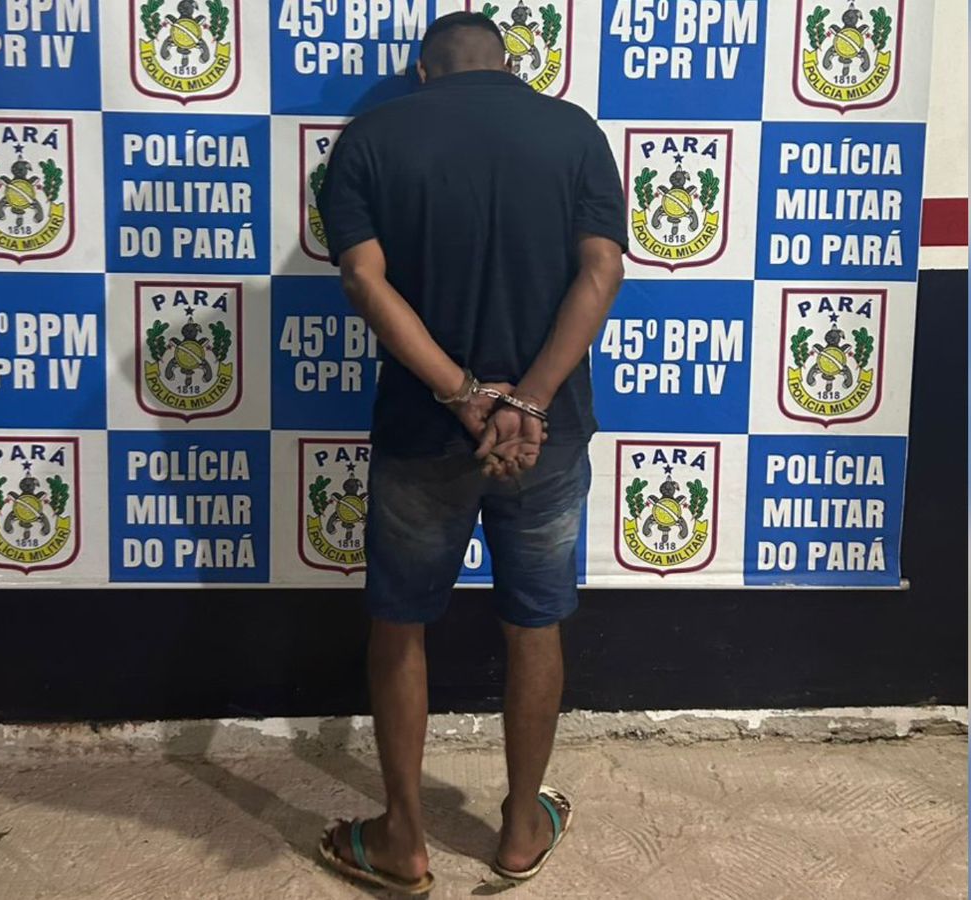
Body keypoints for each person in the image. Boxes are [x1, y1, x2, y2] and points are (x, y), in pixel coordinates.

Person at [313, 11, 627, 895]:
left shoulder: (368, 139)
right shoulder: (574, 132)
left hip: (423, 431)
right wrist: (528, 401)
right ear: (510, 65)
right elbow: (603, 270)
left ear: (424, 72)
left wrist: (462, 395)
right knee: (535, 622)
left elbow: (362, 278)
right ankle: (521, 830)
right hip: (545, 437)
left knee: (399, 623)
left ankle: (404, 842)